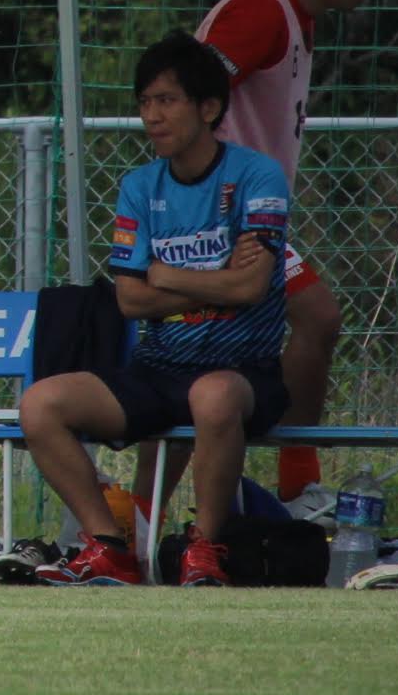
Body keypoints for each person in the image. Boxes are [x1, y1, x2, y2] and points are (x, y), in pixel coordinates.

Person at [22, 34, 292, 588]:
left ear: (208, 108)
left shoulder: (258, 176)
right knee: (40, 403)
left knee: (212, 395)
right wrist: (217, 280)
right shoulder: (139, 186)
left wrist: (166, 275)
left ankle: (205, 547)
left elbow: (252, 287)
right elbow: (130, 299)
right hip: (158, 367)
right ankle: (108, 547)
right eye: (144, 102)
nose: (151, 116)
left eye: (166, 100)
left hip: (243, 372)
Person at [195, 0, 384, 502]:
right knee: (317, 316)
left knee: (202, 367)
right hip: (226, 217)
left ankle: (151, 517)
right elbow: (188, 93)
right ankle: (298, 489)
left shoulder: (296, 18)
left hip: (250, 217)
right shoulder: (261, 11)